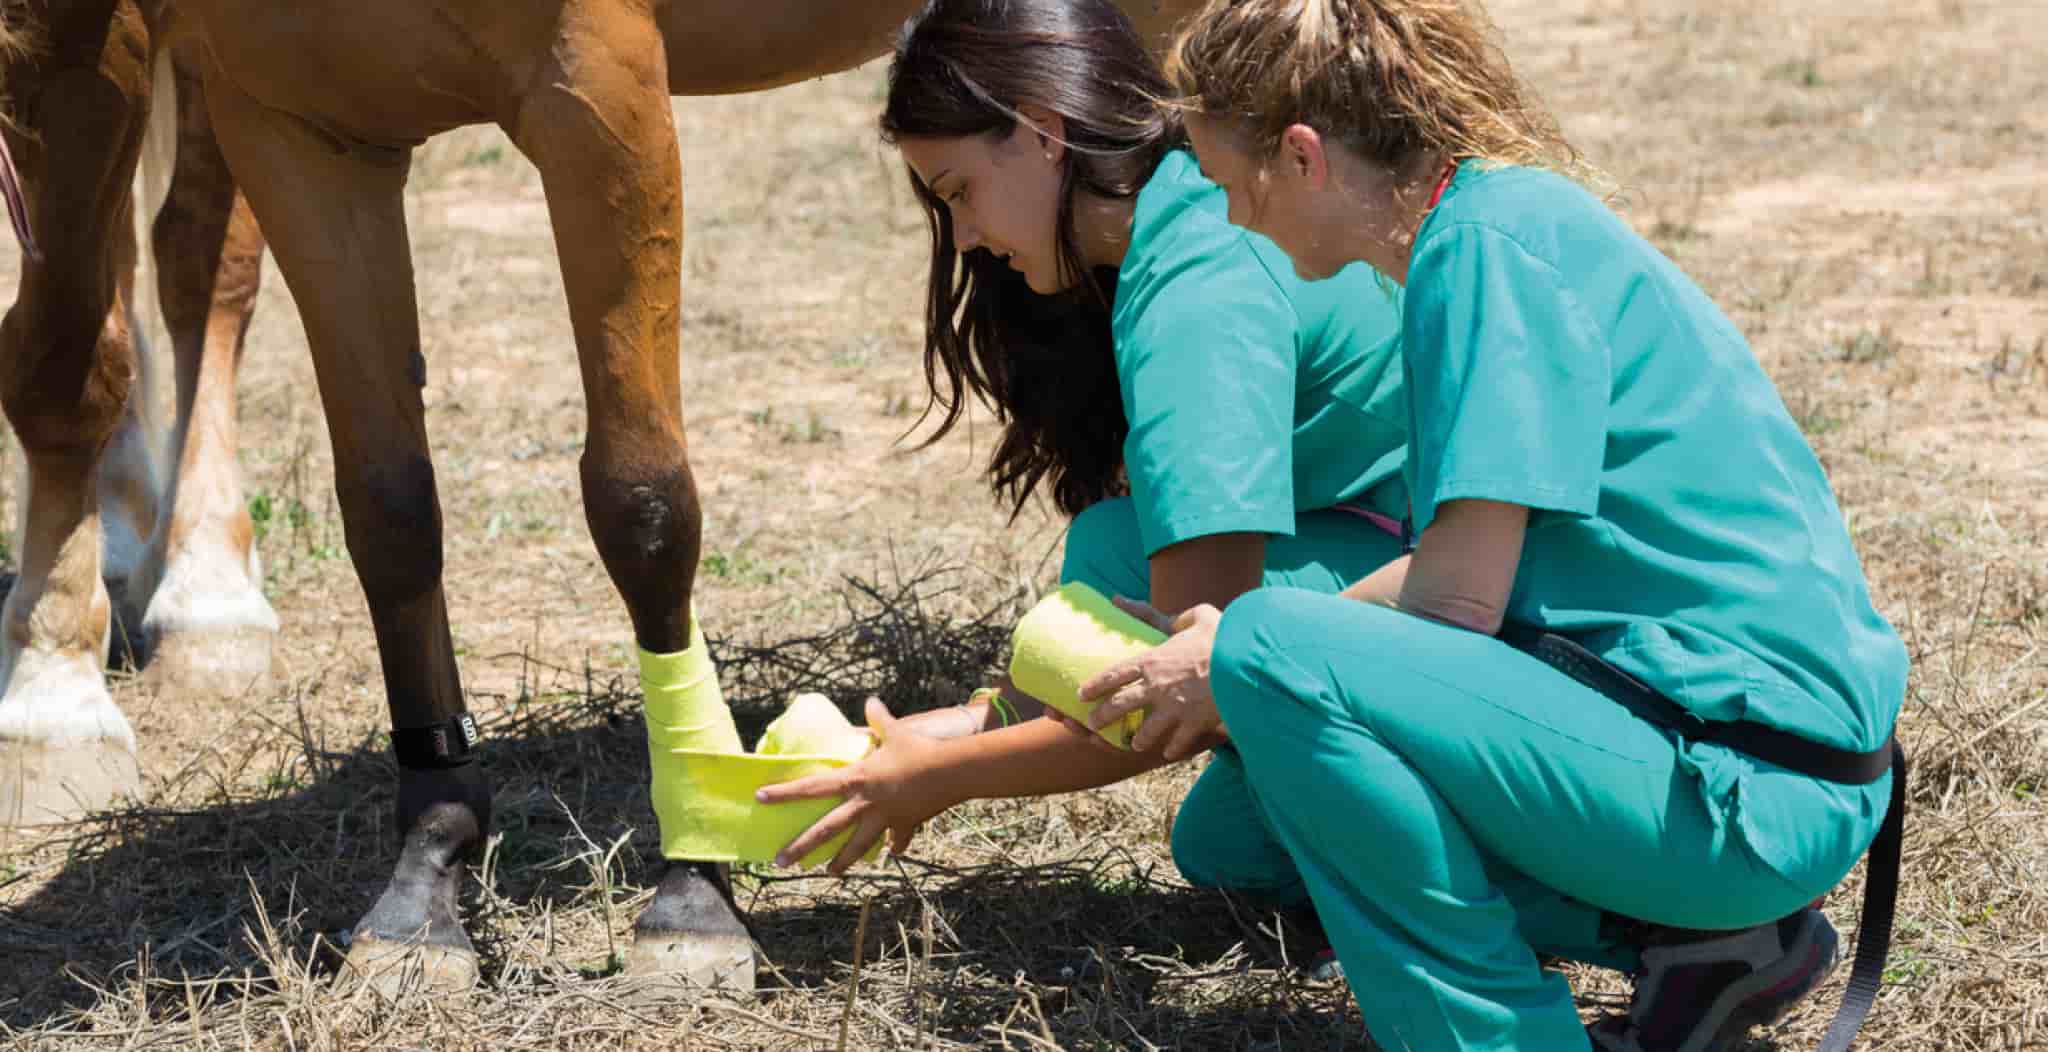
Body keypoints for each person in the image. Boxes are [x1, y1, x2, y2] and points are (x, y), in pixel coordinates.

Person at [1066, 0, 1909, 1048]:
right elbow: (1464, 577)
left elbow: (1457, 596)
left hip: (1736, 782)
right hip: (1743, 754)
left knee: (1273, 653)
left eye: (1235, 187)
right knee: (1240, 812)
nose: (1234, 220)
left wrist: (1231, 650)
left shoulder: (1480, 251)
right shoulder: (1488, 225)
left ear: (1302, 155)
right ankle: (1703, 942)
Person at [757, 0, 1410, 954]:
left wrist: (936, 782)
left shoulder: (1194, 293)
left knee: (1139, 616)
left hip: (1476, 606)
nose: (967, 235)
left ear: (1042, 133)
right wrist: (971, 724)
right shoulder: (1188, 199)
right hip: (1408, 556)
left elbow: (1184, 677)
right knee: (1220, 820)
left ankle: (1581, 885)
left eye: (959, 190)